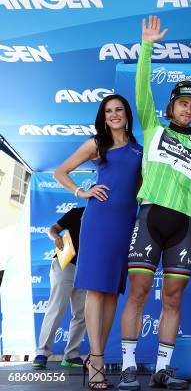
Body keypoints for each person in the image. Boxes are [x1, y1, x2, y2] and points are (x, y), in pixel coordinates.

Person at [117, 15, 191, 391]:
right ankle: (127, 367)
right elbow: (142, 88)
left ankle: (162, 369)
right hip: (151, 217)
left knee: (173, 299)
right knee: (139, 293)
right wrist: (147, 47)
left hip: (184, 227)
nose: (187, 110)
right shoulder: (153, 127)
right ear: (171, 107)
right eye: (182, 104)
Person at [54, 94, 143, 390]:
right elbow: (60, 171)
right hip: (99, 221)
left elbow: (139, 189)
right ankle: (96, 360)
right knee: (95, 291)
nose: (114, 115)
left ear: (127, 114)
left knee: (111, 294)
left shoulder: (138, 149)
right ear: (103, 117)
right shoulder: (97, 144)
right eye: (109, 111)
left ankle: (97, 358)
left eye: (119, 110)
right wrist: (82, 192)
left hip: (126, 225)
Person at [32, 207, 86, 370]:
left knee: (82, 313)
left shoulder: (106, 218)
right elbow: (53, 229)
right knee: (56, 308)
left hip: (87, 268)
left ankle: (71, 355)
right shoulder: (77, 212)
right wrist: (55, 237)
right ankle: (42, 352)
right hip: (65, 263)